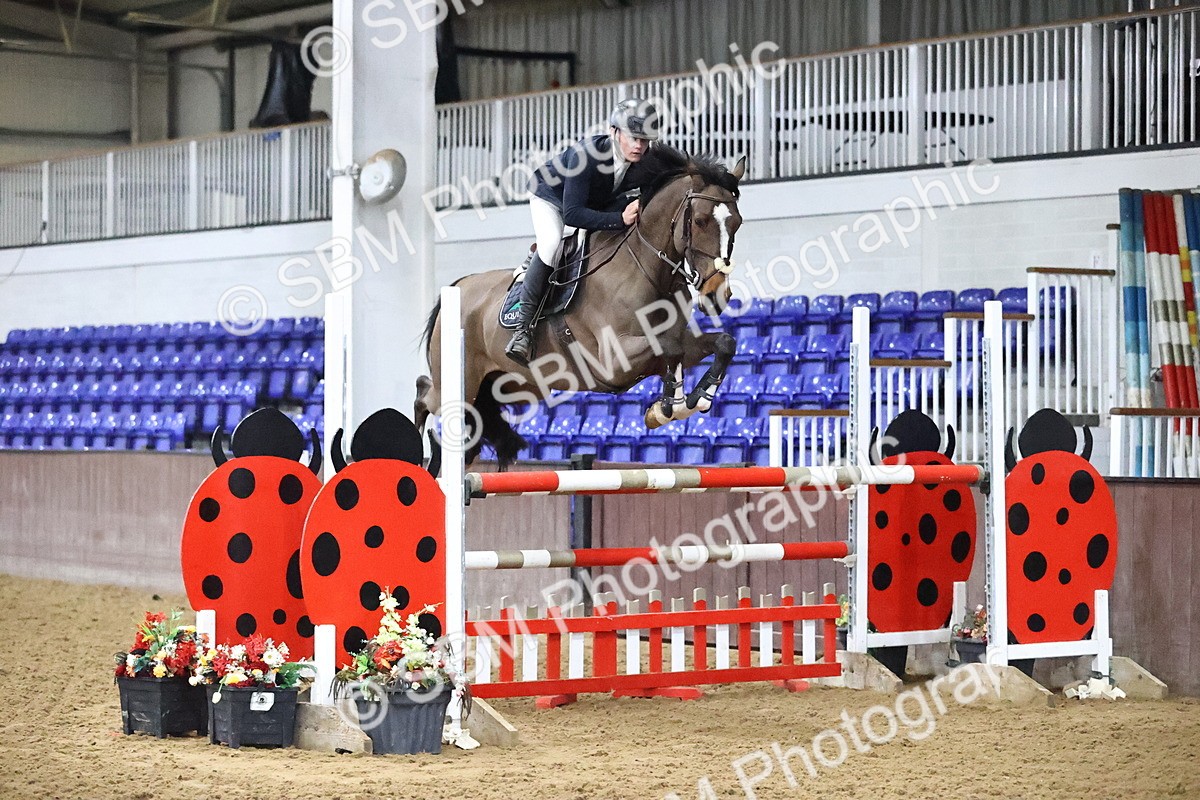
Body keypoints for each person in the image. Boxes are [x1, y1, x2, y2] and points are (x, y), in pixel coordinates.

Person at [504, 98, 660, 367]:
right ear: (615, 132)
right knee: (552, 244)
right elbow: (573, 214)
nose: (639, 146)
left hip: (597, 199)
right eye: (633, 138)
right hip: (552, 198)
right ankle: (523, 329)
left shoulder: (644, 161)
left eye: (645, 140)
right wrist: (619, 219)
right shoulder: (586, 155)